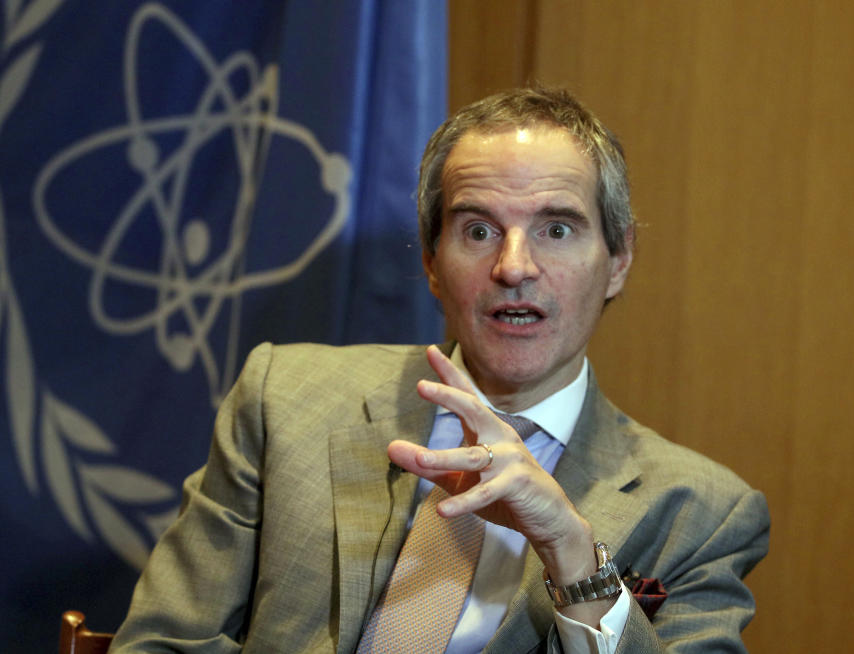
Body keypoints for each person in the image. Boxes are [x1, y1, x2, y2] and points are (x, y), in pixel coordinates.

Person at [110, 87, 769, 653]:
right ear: (430, 260)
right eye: (477, 230)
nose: (513, 267)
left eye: (557, 230)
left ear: (618, 259)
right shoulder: (283, 400)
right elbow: (164, 641)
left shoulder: (699, 514)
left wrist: (572, 555)